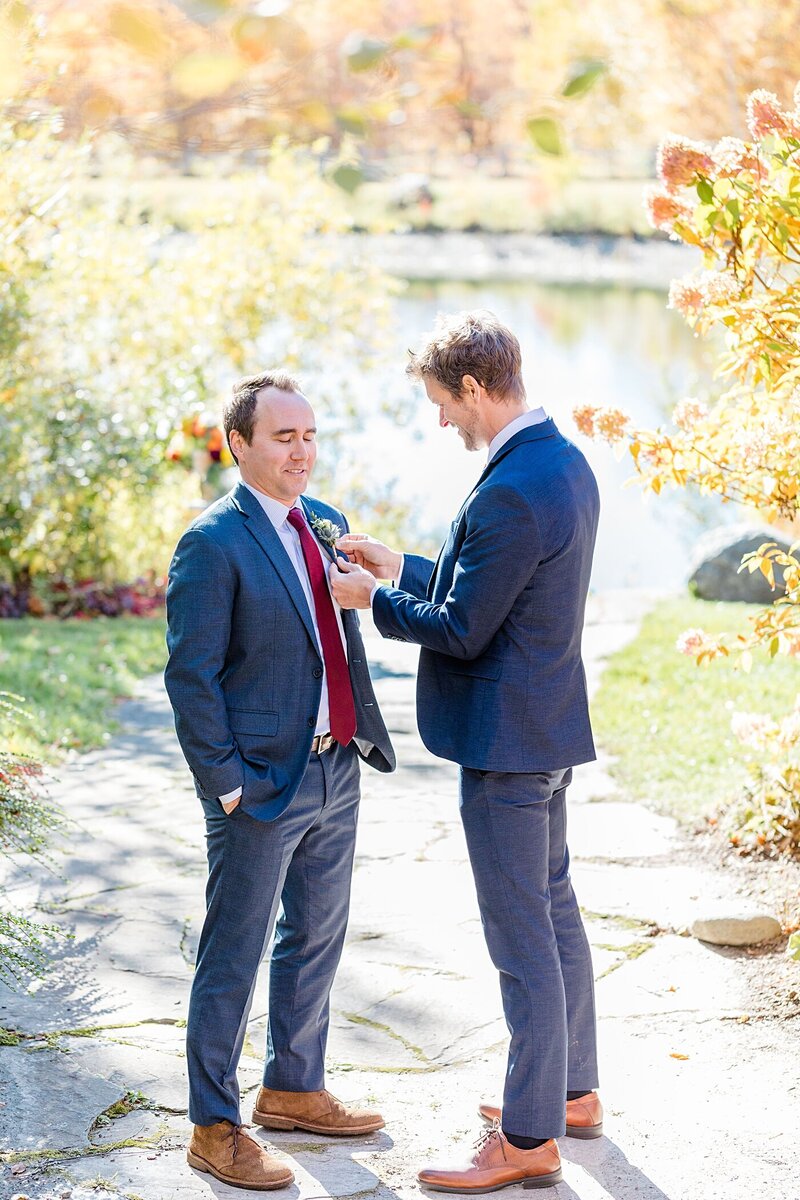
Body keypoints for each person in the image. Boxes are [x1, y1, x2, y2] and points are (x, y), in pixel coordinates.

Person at [330, 311, 602, 1193]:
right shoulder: (557, 460)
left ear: (476, 390)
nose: (441, 420)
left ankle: (528, 1139)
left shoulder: (516, 484)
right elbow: (491, 579)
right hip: (543, 726)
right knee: (553, 912)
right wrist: (402, 564)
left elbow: (464, 627)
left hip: (508, 747)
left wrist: (372, 598)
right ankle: (569, 1094)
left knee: (521, 937)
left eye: (444, 403)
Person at [165, 370, 395, 1192]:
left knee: (316, 939)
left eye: (309, 435)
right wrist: (226, 784)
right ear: (240, 445)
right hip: (260, 786)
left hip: (337, 767)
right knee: (234, 954)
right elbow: (191, 678)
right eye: (283, 437)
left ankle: (294, 1087)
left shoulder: (324, 523)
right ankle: (213, 1127)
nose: (301, 452)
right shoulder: (212, 542)